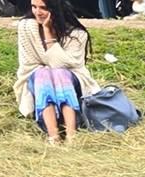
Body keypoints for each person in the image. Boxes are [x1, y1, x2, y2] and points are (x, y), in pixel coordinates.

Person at [13, 0, 92, 146]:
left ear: (56, 8)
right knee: (44, 73)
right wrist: (48, 70)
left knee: (60, 73)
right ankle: (53, 135)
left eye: (43, 8)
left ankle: (71, 135)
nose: (37, 12)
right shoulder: (26, 26)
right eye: (34, 7)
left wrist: (49, 34)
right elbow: (28, 64)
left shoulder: (77, 34)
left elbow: (63, 66)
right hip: (38, 79)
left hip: (70, 82)